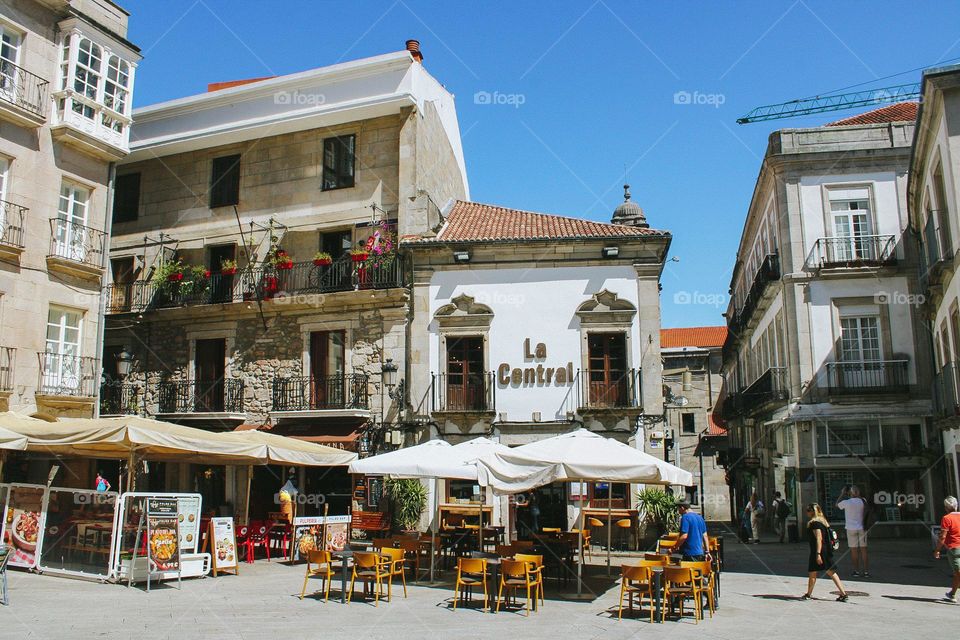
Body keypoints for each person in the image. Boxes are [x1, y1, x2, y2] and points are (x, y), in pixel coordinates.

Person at [801, 503, 848, 602]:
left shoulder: (815, 523)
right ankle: (843, 594)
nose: (806, 512)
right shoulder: (823, 522)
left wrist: (818, 554)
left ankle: (808, 594)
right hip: (825, 550)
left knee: (813, 572)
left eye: (808, 510)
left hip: (819, 551)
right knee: (831, 572)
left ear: (813, 512)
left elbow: (819, 538)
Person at [836, 485, 869, 577]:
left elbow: (837, 504)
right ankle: (866, 572)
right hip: (862, 528)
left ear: (849, 493)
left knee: (854, 551)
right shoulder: (863, 501)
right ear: (858, 492)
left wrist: (842, 494)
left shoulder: (846, 502)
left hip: (850, 528)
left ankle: (856, 571)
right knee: (864, 550)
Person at [934, 495, 960, 603]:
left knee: (958, 572)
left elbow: (942, 537)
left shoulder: (946, 518)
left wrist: (937, 550)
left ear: (946, 507)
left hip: (954, 548)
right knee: (958, 573)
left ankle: (952, 594)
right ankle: (952, 594)